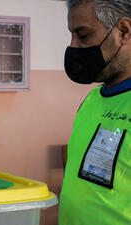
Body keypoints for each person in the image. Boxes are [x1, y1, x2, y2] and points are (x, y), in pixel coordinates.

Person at [59, 0, 131, 225]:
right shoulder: (93, 98)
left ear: (124, 32)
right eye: (71, 35)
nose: (73, 46)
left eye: (83, 36)